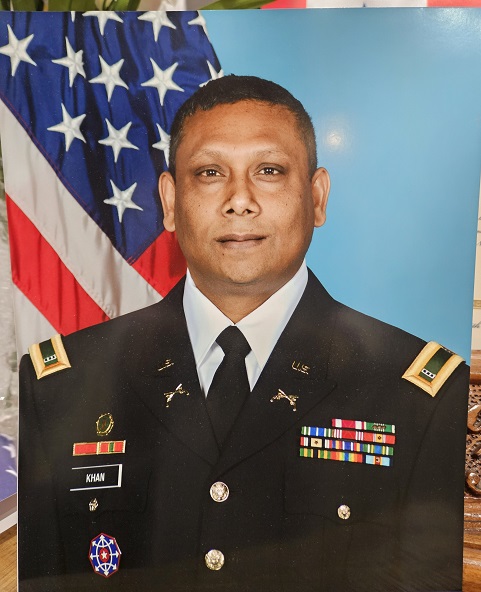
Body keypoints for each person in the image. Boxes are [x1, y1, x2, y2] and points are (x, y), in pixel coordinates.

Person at [18, 75, 469, 592]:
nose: (239, 200)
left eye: (269, 171)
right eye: (210, 173)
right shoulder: (62, 385)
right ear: (170, 201)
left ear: (317, 197)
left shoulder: (415, 395)